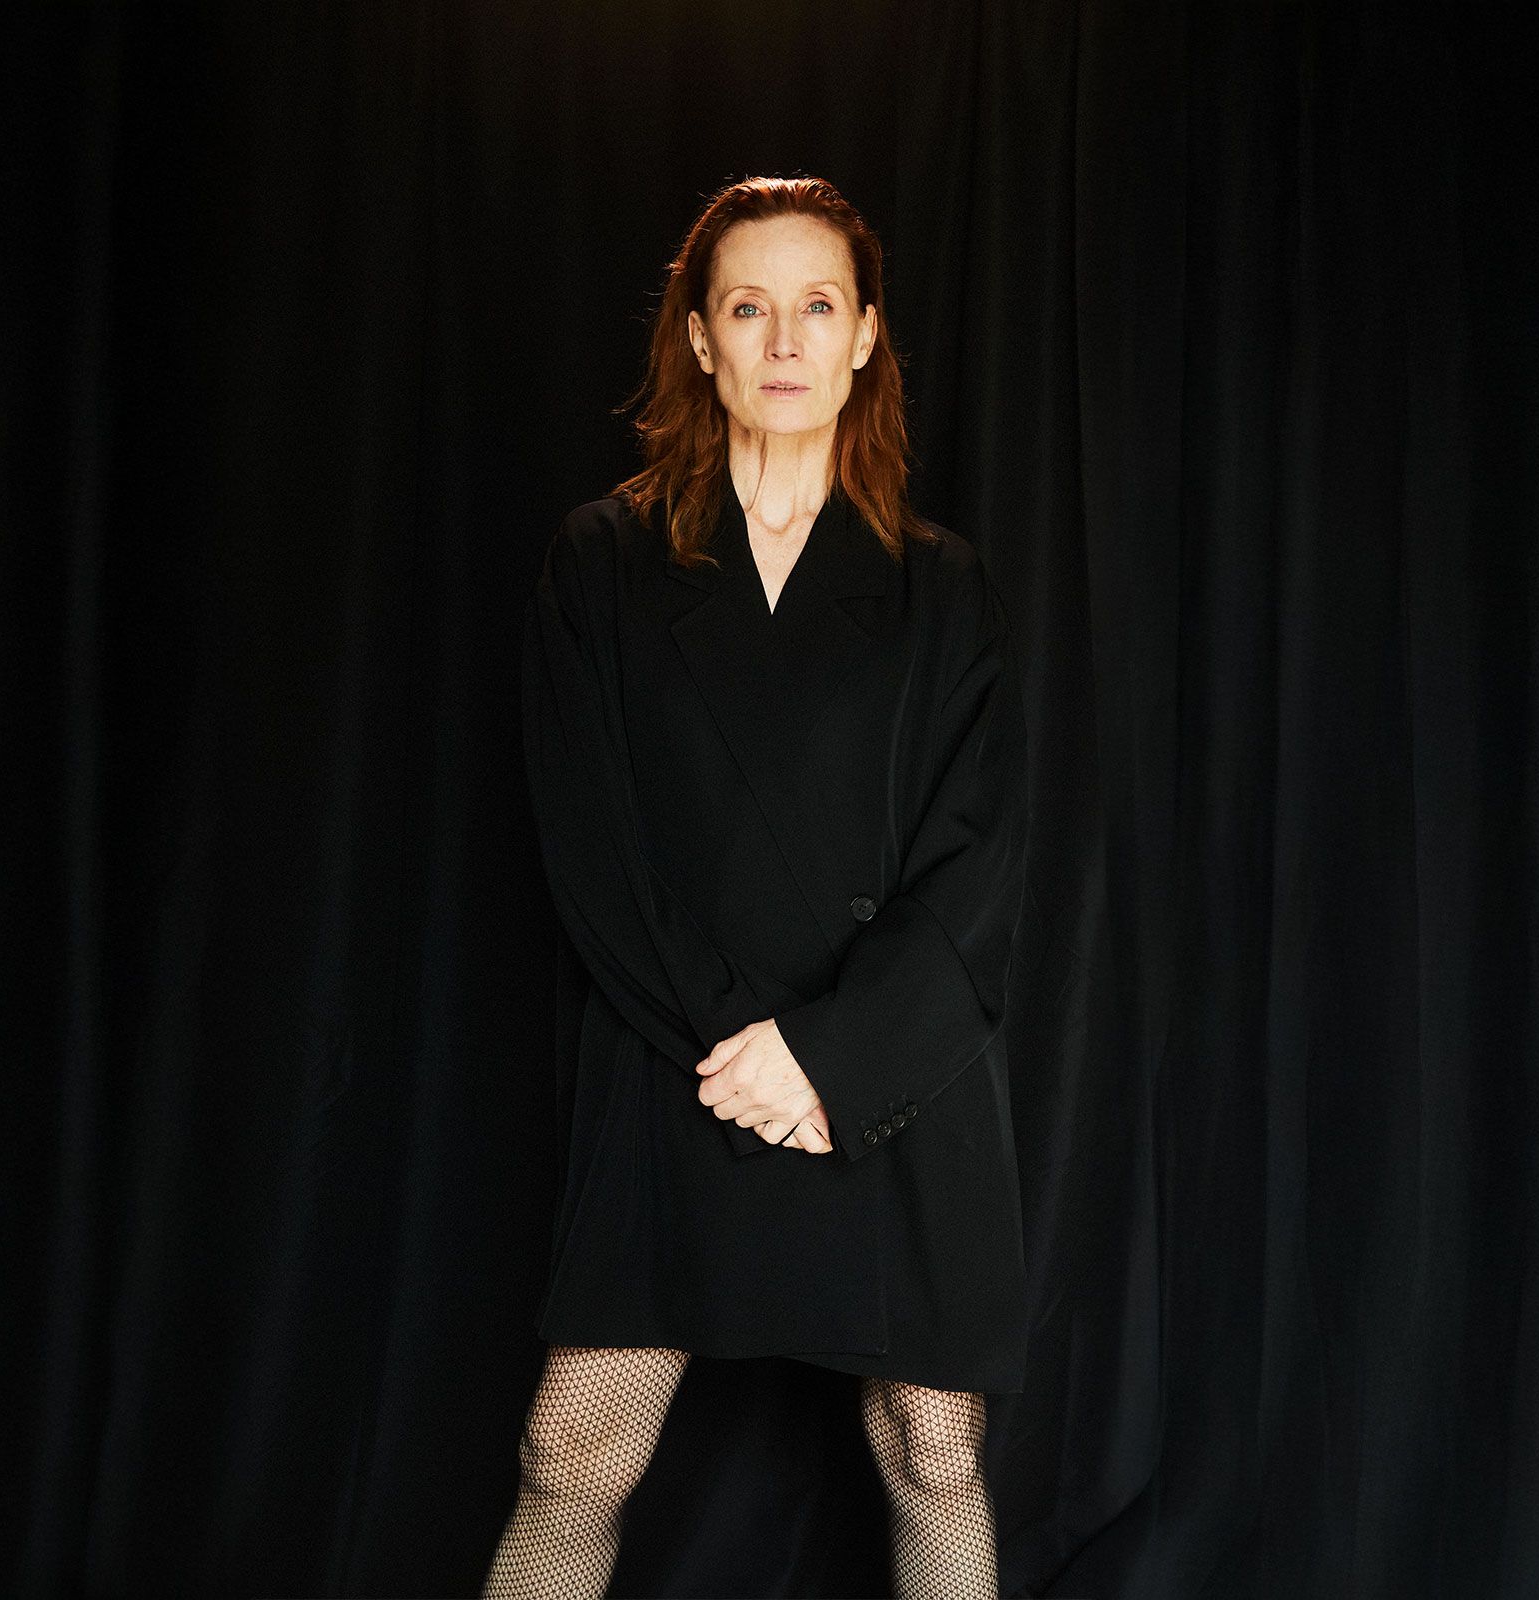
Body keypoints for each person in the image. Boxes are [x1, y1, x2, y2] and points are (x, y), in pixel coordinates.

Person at [488, 174, 1032, 1600]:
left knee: (935, 1451)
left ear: (865, 336)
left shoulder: (943, 587)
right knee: (571, 1454)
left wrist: (831, 1060)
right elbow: (593, 851)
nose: (784, 340)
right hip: (677, 1056)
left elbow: (977, 864)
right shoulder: (601, 563)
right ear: (699, 337)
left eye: (818, 305)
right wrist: (749, 1052)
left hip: (889, 1074)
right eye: (747, 307)